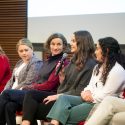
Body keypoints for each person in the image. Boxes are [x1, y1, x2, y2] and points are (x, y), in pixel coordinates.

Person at [21, 30, 97, 125]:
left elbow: (80, 91)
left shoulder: (90, 64)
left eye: (73, 41)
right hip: (62, 95)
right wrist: (62, 79)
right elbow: (65, 85)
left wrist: (58, 96)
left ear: (82, 43)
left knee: (32, 109)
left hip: (70, 99)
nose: (71, 43)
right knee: (31, 96)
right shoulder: (73, 60)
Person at [47, 37, 125, 125]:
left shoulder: (117, 71)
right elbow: (90, 85)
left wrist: (89, 96)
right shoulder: (97, 67)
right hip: (89, 99)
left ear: (106, 51)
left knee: (66, 114)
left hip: (98, 103)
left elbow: (106, 96)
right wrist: (85, 92)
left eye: (98, 49)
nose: (95, 52)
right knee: (63, 98)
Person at [0, 33, 68, 125]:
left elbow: (50, 84)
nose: (55, 47)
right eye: (53, 44)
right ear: (49, 45)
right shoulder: (47, 60)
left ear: (64, 46)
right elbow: (37, 80)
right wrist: (32, 87)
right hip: (36, 92)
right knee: (9, 106)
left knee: (6, 93)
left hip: (47, 93)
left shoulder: (62, 62)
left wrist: (30, 87)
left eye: (59, 44)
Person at [0, 38, 43, 125]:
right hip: (15, 94)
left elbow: (29, 82)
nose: (24, 53)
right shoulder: (19, 63)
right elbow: (11, 80)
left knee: (6, 94)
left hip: (27, 94)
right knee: (9, 106)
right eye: (21, 51)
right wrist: (5, 90)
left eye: (26, 50)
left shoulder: (36, 62)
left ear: (32, 49)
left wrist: (11, 91)